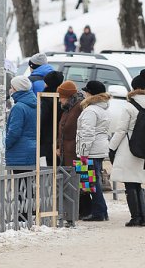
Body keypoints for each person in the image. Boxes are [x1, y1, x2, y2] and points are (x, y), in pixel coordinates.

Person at [110, 69, 145, 227]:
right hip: (144, 148)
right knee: (138, 183)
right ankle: (144, 217)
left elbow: (121, 130)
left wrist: (112, 147)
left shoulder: (129, 106)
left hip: (129, 148)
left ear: (134, 88)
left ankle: (135, 217)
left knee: (130, 184)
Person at [77, 80, 111, 221]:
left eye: (86, 91)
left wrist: (83, 153)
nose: (84, 93)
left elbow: (87, 133)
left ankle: (99, 211)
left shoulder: (90, 110)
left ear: (91, 93)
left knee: (91, 181)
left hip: (90, 149)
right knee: (90, 180)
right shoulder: (102, 109)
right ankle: (100, 211)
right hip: (98, 147)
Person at [57, 80, 89, 218]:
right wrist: (59, 145)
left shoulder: (78, 108)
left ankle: (85, 210)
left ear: (68, 96)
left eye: (61, 97)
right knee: (72, 181)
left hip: (76, 152)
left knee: (82, 182)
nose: (59, 100)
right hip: (67, 151)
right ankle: (76, 210)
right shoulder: (68, 108)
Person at [6, 76, 37, 168]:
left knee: (19, 181)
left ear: (16, 89)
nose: (10, 90)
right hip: (32, 149)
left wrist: (5, 145)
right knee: (27, 181)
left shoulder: (18, 107)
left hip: (19, 152)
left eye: (11, 87)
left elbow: (14, 131)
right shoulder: (35, 104)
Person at [40, 71, 64, 166]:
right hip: (59, 137)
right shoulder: (62, 98)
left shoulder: (45, 98)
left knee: (47, 168)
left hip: (46, 139)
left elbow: (42, 119)